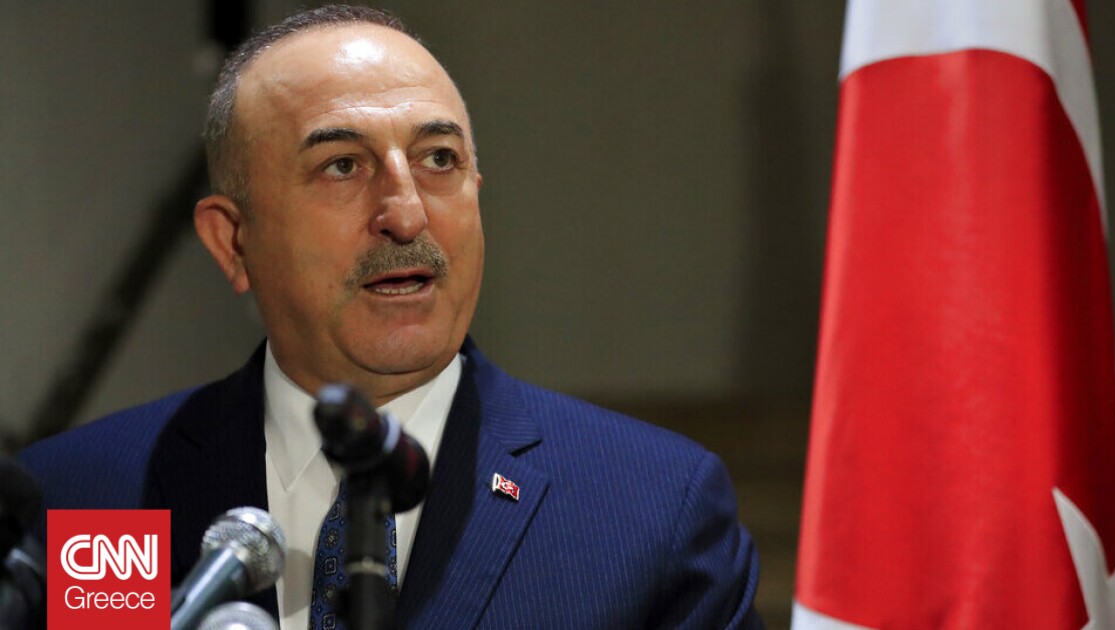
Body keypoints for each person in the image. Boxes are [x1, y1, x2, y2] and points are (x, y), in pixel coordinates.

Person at [19, 5, 762, 629]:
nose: (407, 215)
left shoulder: (652, 511)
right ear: (233, 241)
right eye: (342, 165)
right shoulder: (76, 502)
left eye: (438, 159)